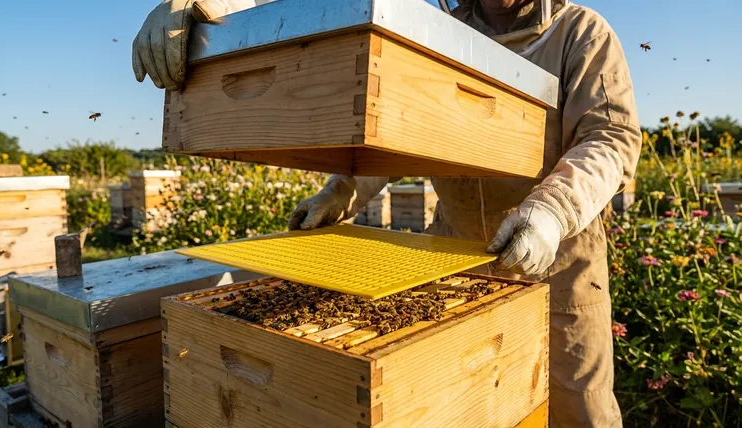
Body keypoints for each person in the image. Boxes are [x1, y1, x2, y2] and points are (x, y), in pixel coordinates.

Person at [133, 0, 641, 425]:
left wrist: (551, 212)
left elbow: (611, 137)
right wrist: (340, 193)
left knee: (579, 410)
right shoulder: (444, 31)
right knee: (461, 406)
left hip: (560, 263)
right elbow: (394, 122)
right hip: (453, 258)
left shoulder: (582, 33)